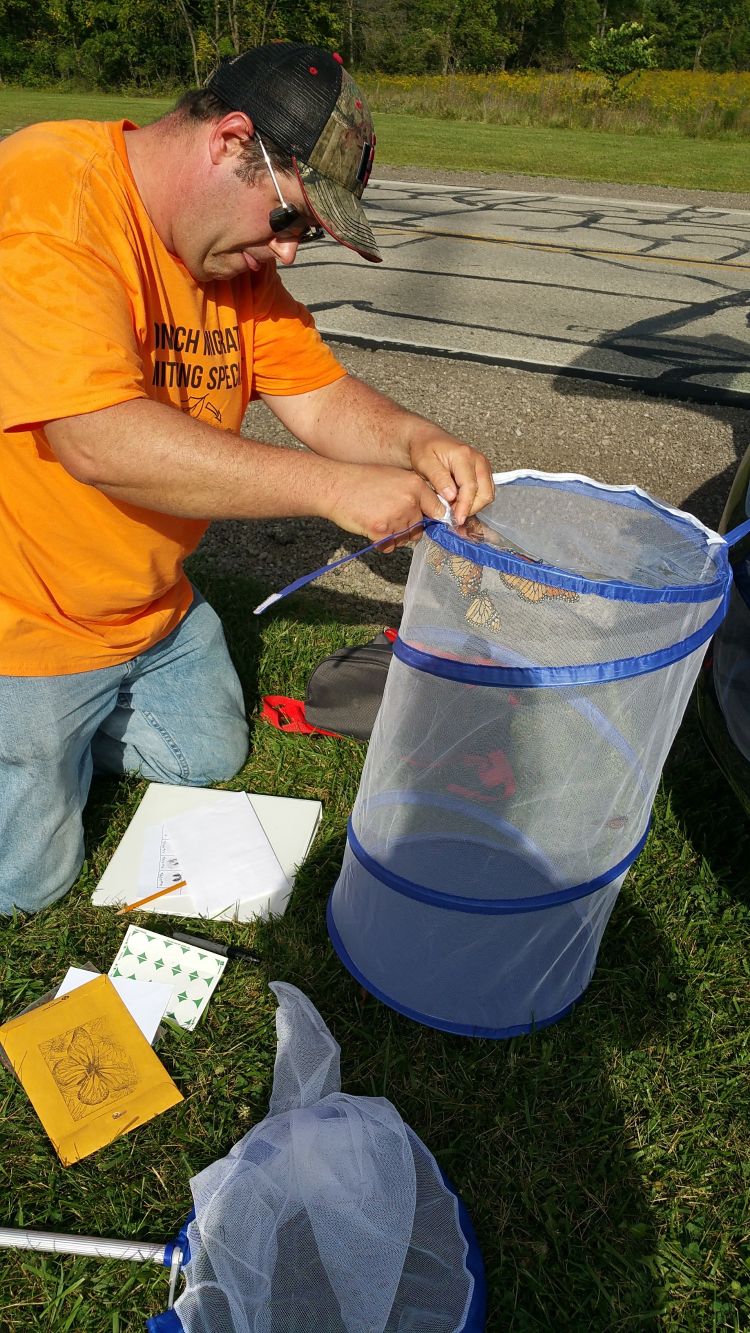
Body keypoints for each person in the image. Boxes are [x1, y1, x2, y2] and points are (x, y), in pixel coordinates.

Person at [0, 41, 494, 914]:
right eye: (289, 218)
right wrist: (335, 490)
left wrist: (417, 440)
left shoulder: (231, 258)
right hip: (23, 620)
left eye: (306, 234)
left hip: (150, 609)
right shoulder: (49, 195)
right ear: (231, 141)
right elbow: (97, 439)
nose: (290, 253)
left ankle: (68, 733)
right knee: (28, 886)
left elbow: (321, 397)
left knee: (210, 754)